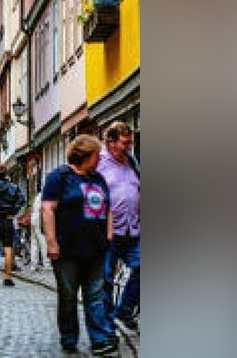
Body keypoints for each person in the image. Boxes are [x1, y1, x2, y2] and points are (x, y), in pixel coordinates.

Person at [42, 134, 118, 356]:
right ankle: (69, 337)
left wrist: (109, 235)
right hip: (68, 250)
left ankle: (99, 339)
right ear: (87, 154)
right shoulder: (59, 177)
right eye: (98, 155)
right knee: (68, 296)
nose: (100, 159)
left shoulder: (98, 179)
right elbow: (48, 209)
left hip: (96, 248)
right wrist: (52, 243)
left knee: (95, 295)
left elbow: (108, 208)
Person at [98, 122, 140, 335]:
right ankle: (107, 324)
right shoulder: (98, 163)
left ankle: (123, 310)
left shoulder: (131, 162)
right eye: (125, 143)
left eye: (130, 143)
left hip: (133, 229)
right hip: (109, 232)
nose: (128, 147)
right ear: (110, 142)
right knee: (105, 278)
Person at [28, 189, 48, 270]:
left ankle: (33, 264)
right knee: (43, 242)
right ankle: (46, 263)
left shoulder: (38, 195)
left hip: (33, 219)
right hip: (39, 220)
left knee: (34, 243)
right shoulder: (45, 195)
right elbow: (42, 209)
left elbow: (33, 208)